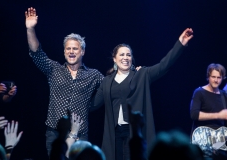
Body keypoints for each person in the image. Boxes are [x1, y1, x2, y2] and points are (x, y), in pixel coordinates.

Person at [91, 28, 193, 160]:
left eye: (128, 55)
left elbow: (164, 65)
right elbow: (93, 104)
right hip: (115, 133)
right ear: (114, 59)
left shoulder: (142, 75)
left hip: (134, 132)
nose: (125, 58)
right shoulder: (106, 82)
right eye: (122, 55)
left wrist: (181, 43)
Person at [24, 7, 104, 156]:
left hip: (80, 133)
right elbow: (36, 53)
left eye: (75, 48)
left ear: (82, 51)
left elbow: (111, 87)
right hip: (55, 132)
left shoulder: (94, 75)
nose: (71, 52)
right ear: (64, 51)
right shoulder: (53, 69)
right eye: (68, 49)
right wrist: (30, 29)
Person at [190, 63, 227, 159]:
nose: (216, 80)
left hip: (220, 142)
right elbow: (194, 114)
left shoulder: (224, 95)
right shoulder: (199, 92)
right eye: (213, 77)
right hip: (202, 139)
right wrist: (218, 115)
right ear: (208, 76)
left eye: (219, 77)